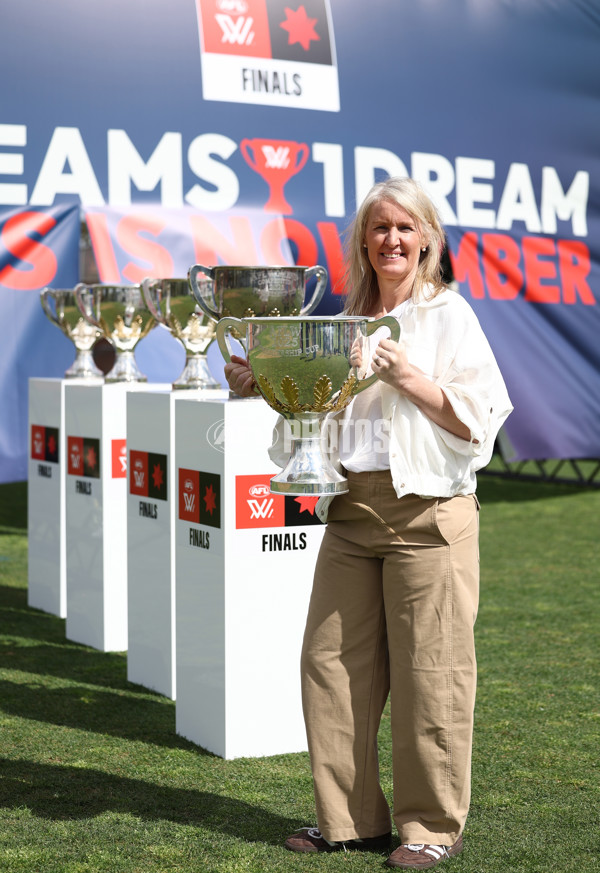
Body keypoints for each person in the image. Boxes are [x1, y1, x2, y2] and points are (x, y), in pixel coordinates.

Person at [224, 177, 512, 870]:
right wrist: (267, 383)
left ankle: (431, 827)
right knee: (329, 664)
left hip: (430, 513)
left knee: (431, 673)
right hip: (352, 511)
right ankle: (349, 821)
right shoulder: (341, 320)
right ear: (362, 241)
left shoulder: (449, 315)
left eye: (406, 227)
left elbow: (479, 422)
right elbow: (315, 410)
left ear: (428, 240)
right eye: (380, 227)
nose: (392, 239)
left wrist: (407, 375)